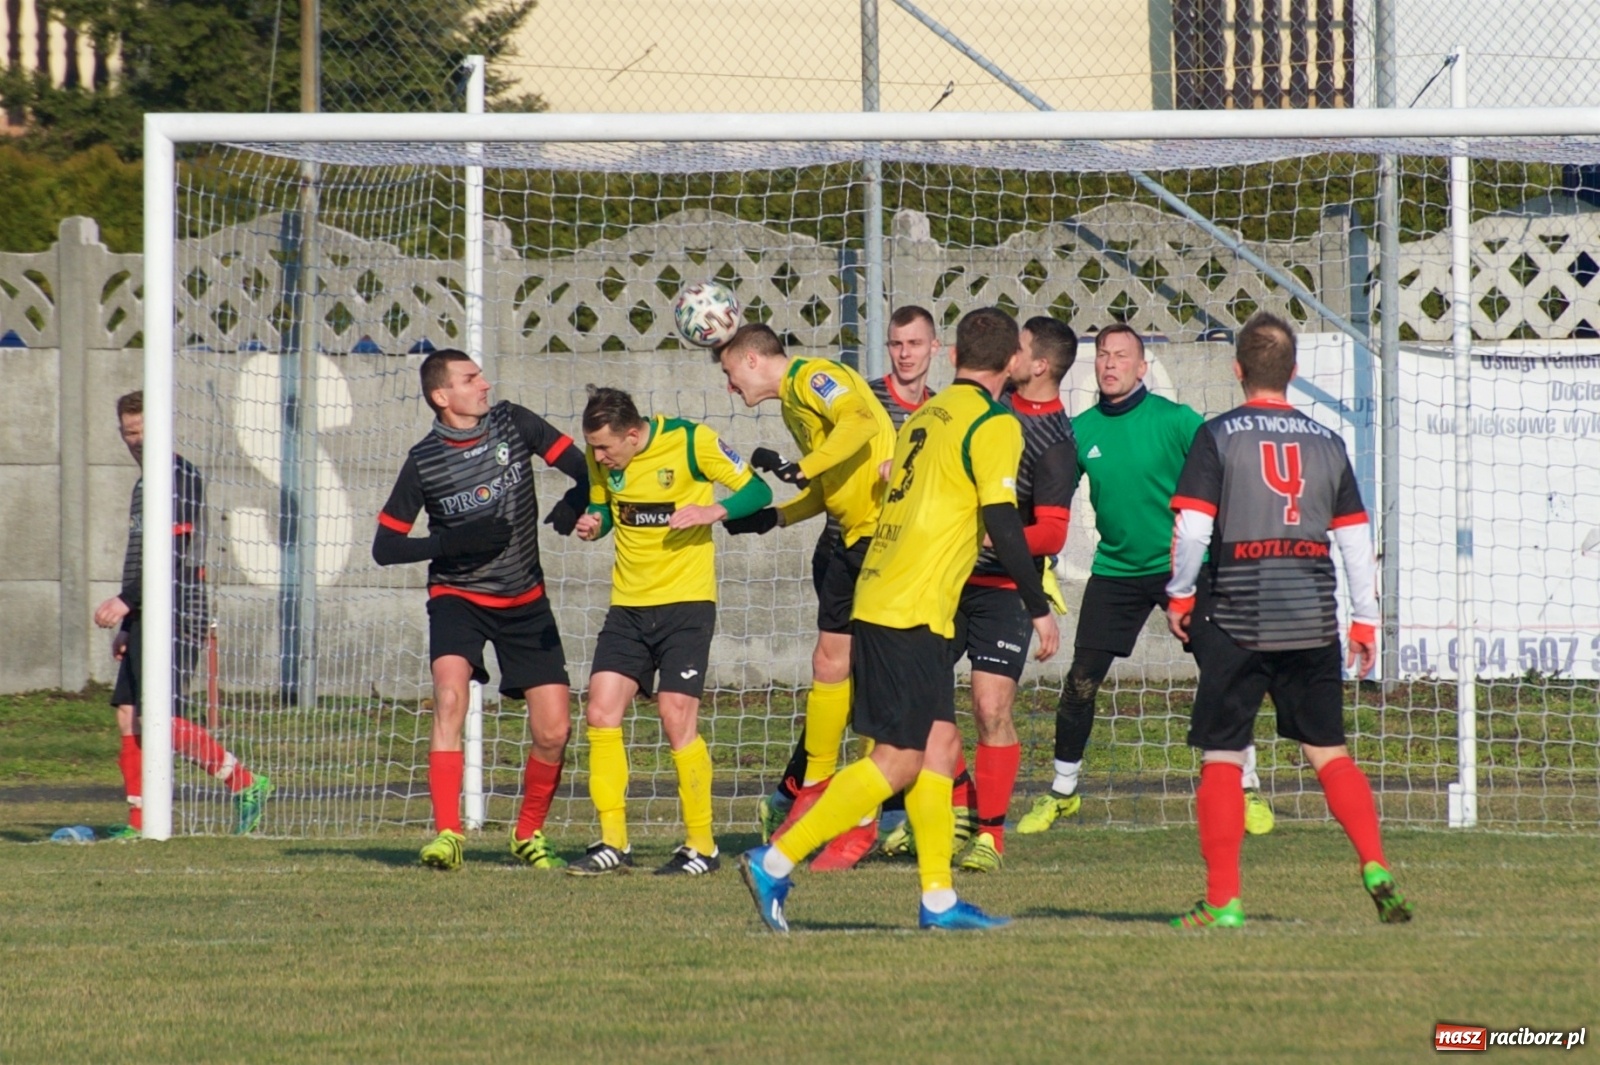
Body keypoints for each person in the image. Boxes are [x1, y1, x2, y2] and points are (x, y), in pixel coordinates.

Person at [738, 307, 1060, 933]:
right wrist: (1037, 606)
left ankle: (938, 901)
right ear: (1013, 362)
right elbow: (1001, 521)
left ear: (951, 354)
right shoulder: (995, 424)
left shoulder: (923, 417)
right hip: (908, 608)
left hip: (892, 596)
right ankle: (775, 860)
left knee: (939, 746)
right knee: (898, 760)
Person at [1164, 311, 1412, 928]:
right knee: (1329, 751)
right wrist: (1364, 621)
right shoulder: (1328, 442)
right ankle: (1375, 864)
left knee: (1223, 757)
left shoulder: (1218, 434)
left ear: (1238, 369)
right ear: (1293, 372)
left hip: (1238, 618)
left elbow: (1192, 528)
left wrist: (1180, 593)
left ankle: (1223, 900)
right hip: (1310, 618)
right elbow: (1355, 540)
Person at [1016, 323, 1275, 837]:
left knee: (1223, 675)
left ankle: (1246, 788)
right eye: (1103, 355)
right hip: (1115, 573)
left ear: (1142, 367)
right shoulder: (1080, 430)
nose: (1110, 363)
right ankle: (1063, 791)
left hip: (1184, 570)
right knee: (1081, 683)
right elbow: (1051, 504)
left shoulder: (1178, 422)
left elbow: (1225, 487)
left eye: (1121, 356)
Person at [373, 349, 589, 871]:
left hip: (525, 600)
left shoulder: (514, 423)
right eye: (471, 379)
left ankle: (527, 834)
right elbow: (385, 546)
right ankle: (448, 834)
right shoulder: (424, 460)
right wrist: (451, 543)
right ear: (442, 396)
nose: (485, 384)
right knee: (450, 697)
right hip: (458, 597)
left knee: (554, 731)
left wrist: (579, 499)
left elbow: (586, 469)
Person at [568, 386, 773, 876]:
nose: (598, 457)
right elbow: (605, 505)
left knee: (675, 714)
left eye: (605, 448)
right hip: (628, 607)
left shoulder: (690, 441)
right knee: (600, 711)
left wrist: (711, 511)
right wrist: (594, 521)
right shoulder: (603, 460)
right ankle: (612, 842)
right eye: (593, 448)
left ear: (634, 435)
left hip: (686, 604)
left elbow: (758, 491)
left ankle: (702, 846)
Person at [715, 323, 896, 870]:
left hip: (883, 537)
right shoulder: (793, 403)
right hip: (847, 537)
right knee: (827, 662)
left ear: (750, 360)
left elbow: (861, 421)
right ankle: (813, 792)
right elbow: (825, 485)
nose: (729, 387)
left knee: (876, 678)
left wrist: (803, 466)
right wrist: (775, 518)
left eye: (728, 373)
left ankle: (865, 818)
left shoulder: (814, 376)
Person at [95, 390, 271, 838]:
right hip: (146, 612)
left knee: (157, 715)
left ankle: (245, 782)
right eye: (128, 432)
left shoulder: (180, 476)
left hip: (177, 609)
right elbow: (140, 556)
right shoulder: (143, 484)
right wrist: (130, 621)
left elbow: (172, 553)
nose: (135, 440)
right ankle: (138, 823)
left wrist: (127, 602)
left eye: (142, 431)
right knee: (129, 713)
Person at [945, 316, 1079, 873]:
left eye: (1018, 348)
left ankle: (990, 837)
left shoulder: (1054, 442)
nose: (1008, 354)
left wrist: (988, 534)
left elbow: (1051, 532)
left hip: (1002, 588)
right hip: (947, 580)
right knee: (921, 702)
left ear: (1037, 365)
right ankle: (954, 809)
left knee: (989, 707)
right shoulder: (979, 411)